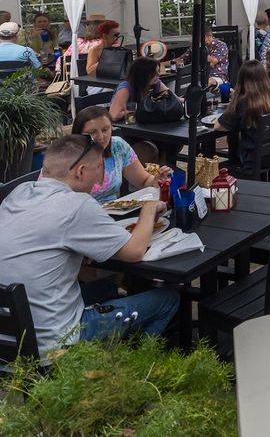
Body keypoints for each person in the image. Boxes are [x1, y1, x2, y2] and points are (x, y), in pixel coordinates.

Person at [0, 133, 180, 356]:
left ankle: (107, 355)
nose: (99, 180)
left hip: (8, 337)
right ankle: (130, 370)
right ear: (81, 171)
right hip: (55, 343)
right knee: (167, 299)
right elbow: (134, 252)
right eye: (98, 170)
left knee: (106, 287)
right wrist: (149, 210)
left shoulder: (19, 193)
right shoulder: (76, 205)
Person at [70, 106, 169, 204]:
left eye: (105, 130)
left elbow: (144, 180)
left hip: (117, 213)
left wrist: (156, 181)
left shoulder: (118, 147)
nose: (101, 137)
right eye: (92, 132)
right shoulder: (68, 157)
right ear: (78, 135)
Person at [213, 60, 270, 173]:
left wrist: (234, 100)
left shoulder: (244, 102)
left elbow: (218, 127)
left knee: (233, 143)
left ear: (242, 80)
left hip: (254, 159)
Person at [108, 56, 168, 121]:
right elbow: (114, 115)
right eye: (154, 73)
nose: (158, 75)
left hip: (145, 123)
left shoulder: (156, 83)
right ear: (143, 74)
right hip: (126, 126)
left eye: (158, 71)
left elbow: (173, 98)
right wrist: (135, 112)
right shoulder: (126, 88)